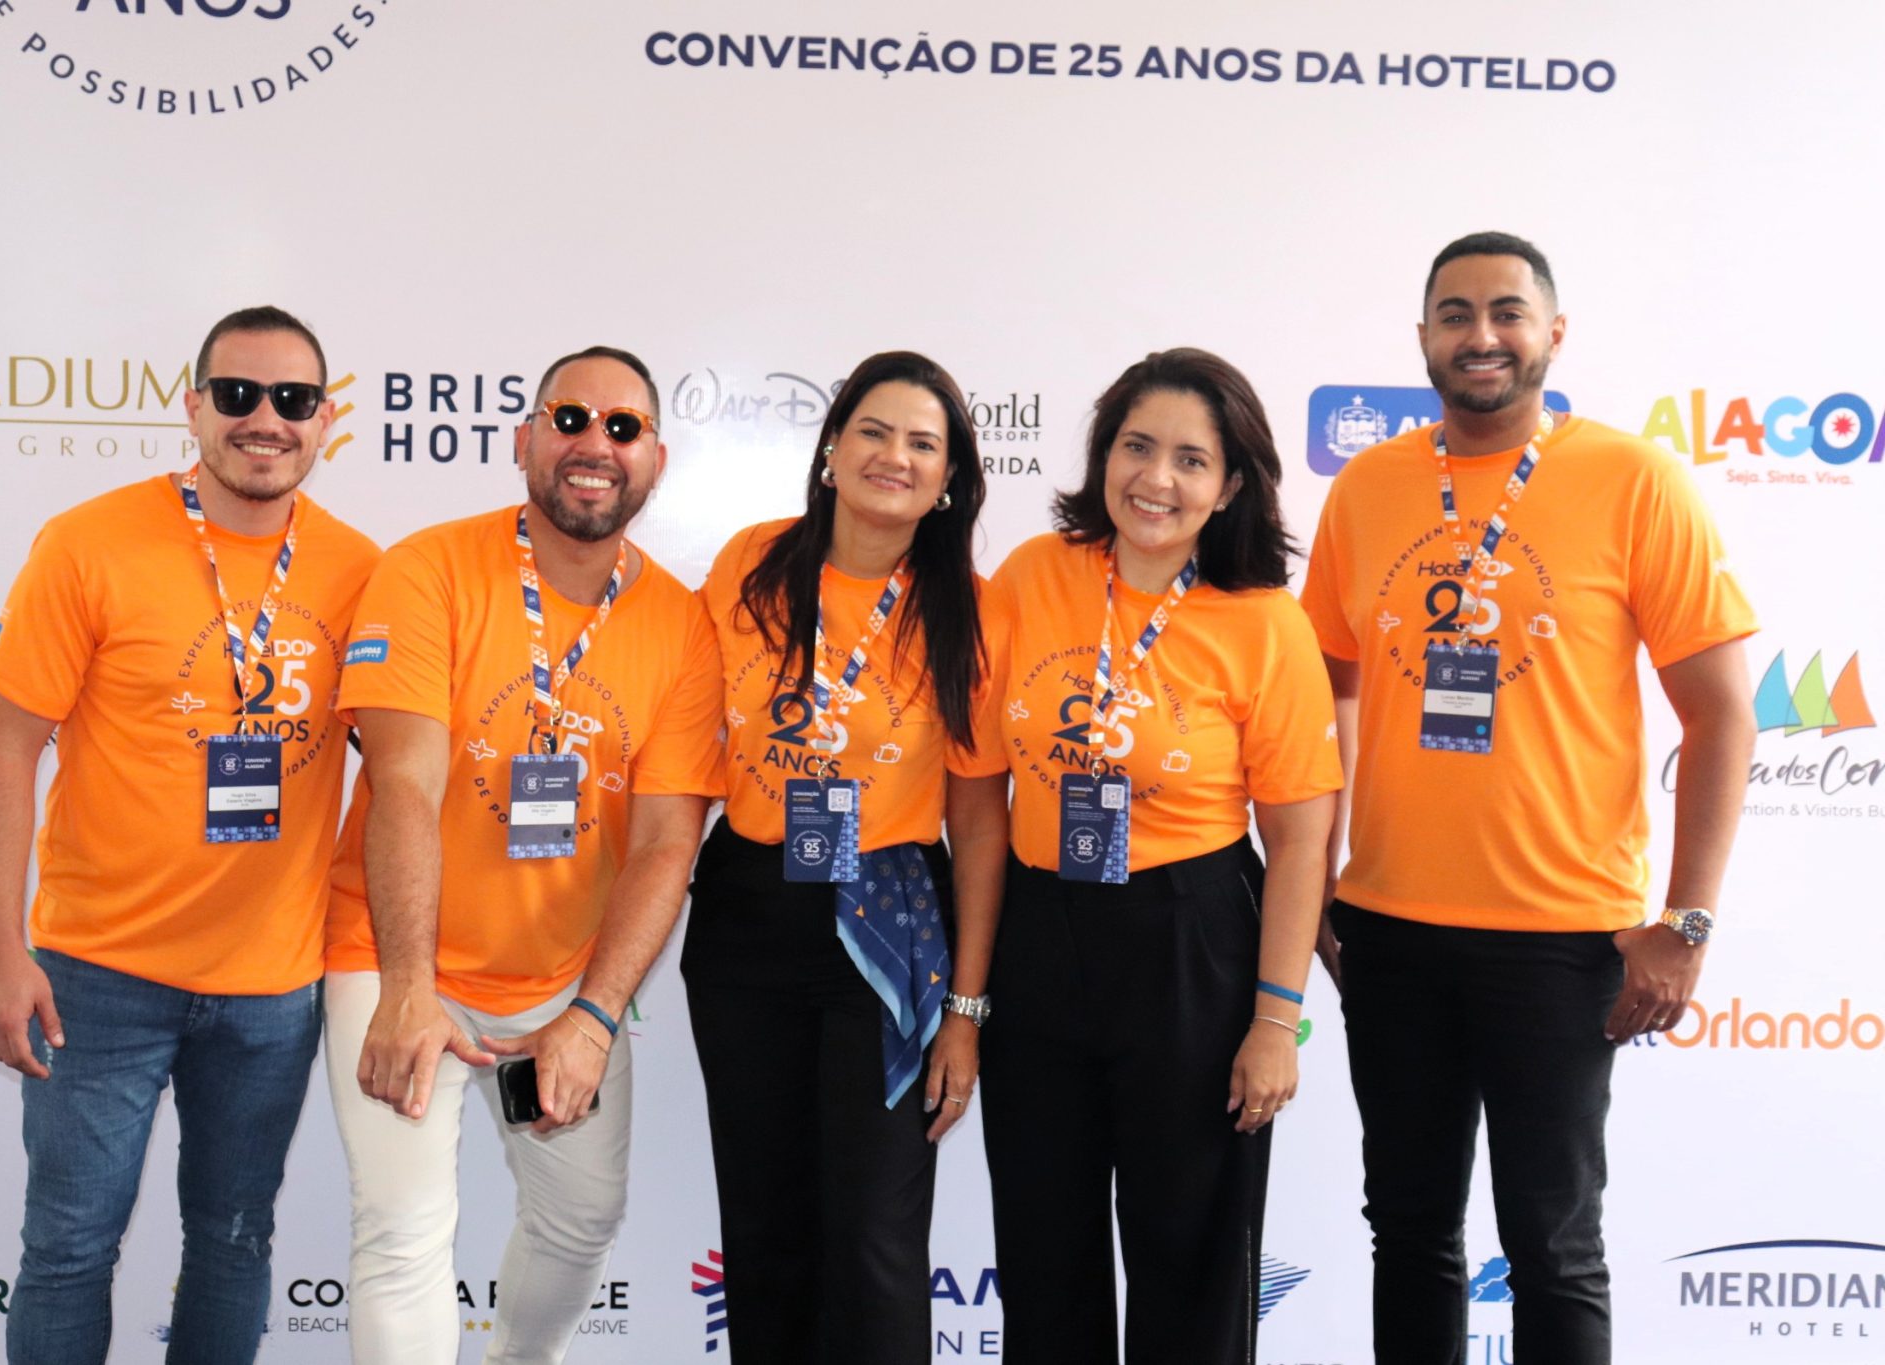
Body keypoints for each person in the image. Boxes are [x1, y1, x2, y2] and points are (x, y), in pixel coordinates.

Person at [1301, 231, 1758, 1364]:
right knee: (1409, 1231)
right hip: (1390, 932)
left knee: (1552, 1246)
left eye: (1506, 311)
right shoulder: (1367, 487)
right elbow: (1327, 698)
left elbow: (1721, 716)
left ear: (1553, 332)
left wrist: (1687, 920)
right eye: (1454, 314)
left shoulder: (1634, 479)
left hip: (1561, 938)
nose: (1481, 336)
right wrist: (1318, 887)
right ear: (1422, 338)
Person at [0, 306, 378, 1365]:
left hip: (272, 988)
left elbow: (406, 769)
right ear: (193, 407)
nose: (265, 419)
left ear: (325, 420)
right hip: (96, 977)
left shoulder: (361, 571)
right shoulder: (88, 542)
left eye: (292, 399)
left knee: (234, 1245)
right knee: (68, 1251)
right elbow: (5, 749)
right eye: (237, 394)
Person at [323, 345, 724, 1365]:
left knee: (582, 1220)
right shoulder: (428, 569)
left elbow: (666, 842)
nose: (596, 444)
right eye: (570, 418)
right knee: (403, 1232)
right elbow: (404, 785)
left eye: (623, 428)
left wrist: (592, 1015)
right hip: (396, 955)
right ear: (524, 440)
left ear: (656, 459)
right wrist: (405, 990)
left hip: (561, 980)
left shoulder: (680, 625)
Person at [969, 348, 1341, 1364]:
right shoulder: (1033, 576)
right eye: (1136, 447)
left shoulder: (1265, 623)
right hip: (1041, 936)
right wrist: (970, 991)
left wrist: (1275, 1020)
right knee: (1043, 1252)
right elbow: (979, 790)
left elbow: (1299, 840)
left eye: (1190, 459)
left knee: (1192, 1260)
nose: (1156, 479)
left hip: (1192, 943)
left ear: (1231, 484)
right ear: (1103, 455)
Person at [682, 351, 1008, 1365]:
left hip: (888, 924)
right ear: (830, 449)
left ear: (948, 477)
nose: (893, 456)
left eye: (922, 442)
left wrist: (965, 1010)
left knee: (874, 1236)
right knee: (764, 1224)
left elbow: (980, 825)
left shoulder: (968, 608)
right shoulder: (750, 561)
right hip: (746, 910)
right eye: (872, 430)